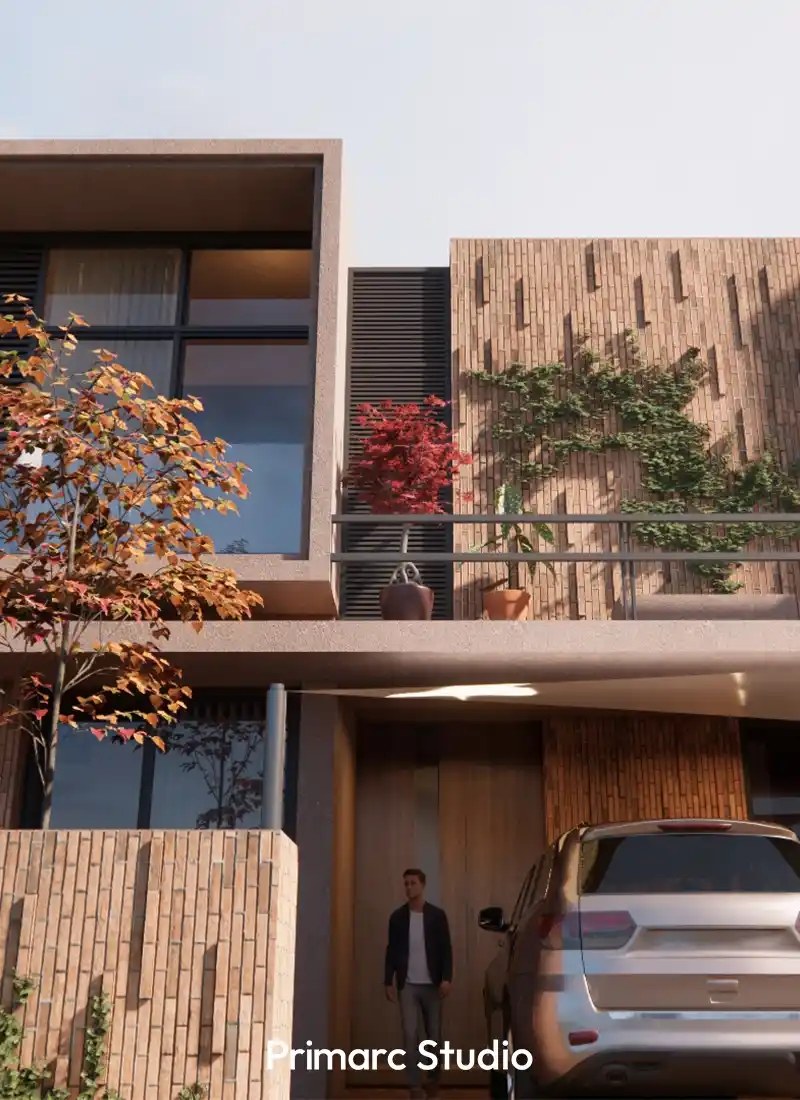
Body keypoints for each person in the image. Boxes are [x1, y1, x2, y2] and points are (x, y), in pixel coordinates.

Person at [384, 868, 453, 1100]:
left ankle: (433, 1080)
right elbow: (391, 951)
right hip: (408, 985)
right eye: (406, 883)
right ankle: (414, 1086)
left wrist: (447, 978)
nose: (409, 887)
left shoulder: (436, 915)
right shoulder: (397, 918)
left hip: (432, 984)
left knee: (433, 1036)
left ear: (423, 885)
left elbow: (446, 948)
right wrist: (388, 981)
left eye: (413, 883)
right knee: (409, 1034)